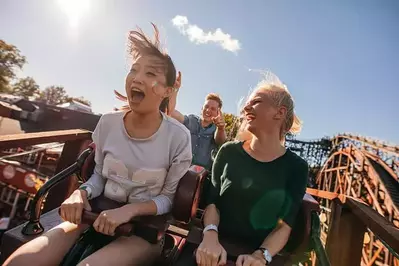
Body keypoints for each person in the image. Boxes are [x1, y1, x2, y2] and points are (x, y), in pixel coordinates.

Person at [4, 23, 192, 266]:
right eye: (134, 70)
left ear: (167, 91)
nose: (137, 78)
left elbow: (168, 198)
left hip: (143, 230)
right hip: (94, 214)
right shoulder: (108, 123)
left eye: (150, 74)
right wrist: (80, 193)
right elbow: (100, 177)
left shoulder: (178, 136)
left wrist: (129, 211)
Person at [194, 78, 308, 266]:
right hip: (213, 250)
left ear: (279, 113)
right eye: (248, 103)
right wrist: (210, 236)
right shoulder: (228, 151)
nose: (246, 108)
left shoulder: (297, 167)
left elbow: (284, 225)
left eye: (256, 102)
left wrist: (261, 256)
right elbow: (212, 203)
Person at [168, 76, 227, 170]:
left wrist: (221, 128)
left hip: (200, 177)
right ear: (201, 109)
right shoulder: (191, 120)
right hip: (178, 169)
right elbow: (170, 112)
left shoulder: (217, 130)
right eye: (206, 106)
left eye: (213, 109)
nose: (208, 110)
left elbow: (221, 140)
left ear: (218, 113)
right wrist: (175, 89)